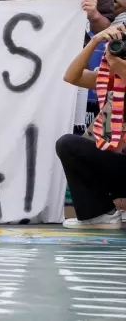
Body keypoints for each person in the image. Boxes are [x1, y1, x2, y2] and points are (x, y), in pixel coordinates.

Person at [58, 23, 126, 229]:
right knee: (68, 145)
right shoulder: (114, 78)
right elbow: (71, 76)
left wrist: (118, 66)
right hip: (118, 165)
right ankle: (99, 214)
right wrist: (96, 40)